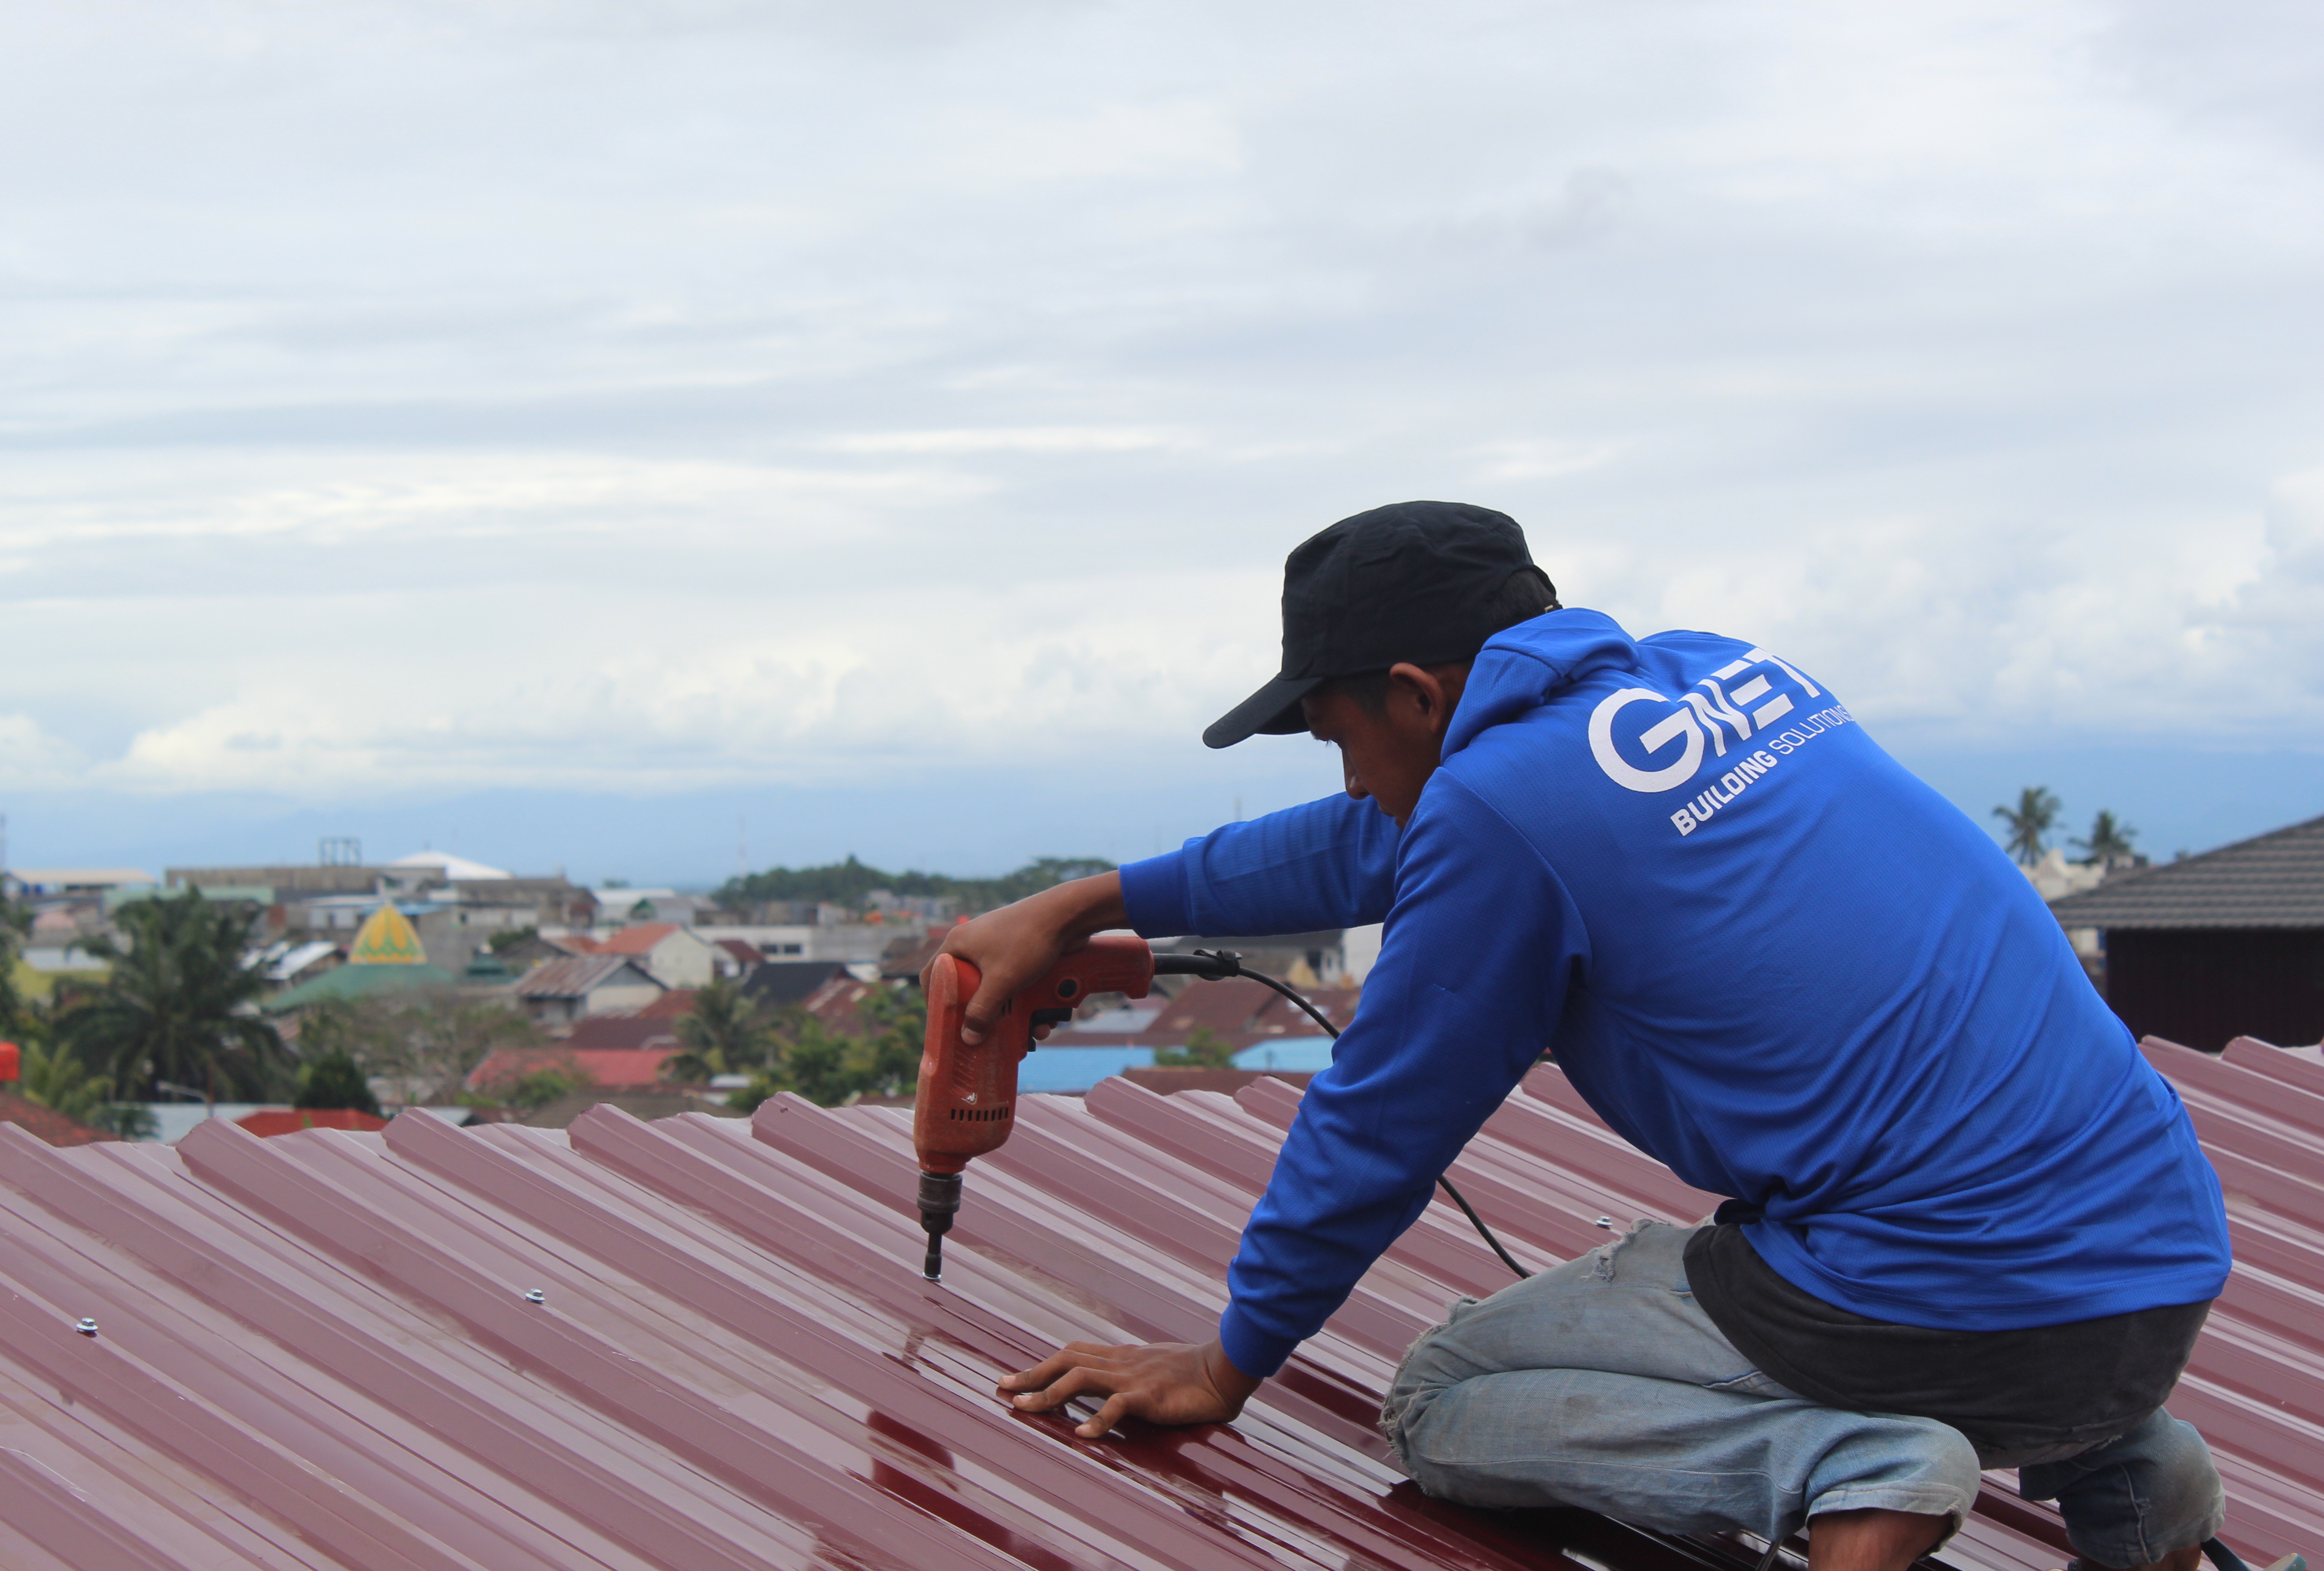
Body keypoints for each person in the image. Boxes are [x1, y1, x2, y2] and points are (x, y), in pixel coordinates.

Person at [951, 501, 2236, 1571]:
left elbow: (1383, 1123)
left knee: (1442, 1401)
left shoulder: (1503, 808)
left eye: (1338, 736)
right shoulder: (1711, 673)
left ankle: (1855, 1466)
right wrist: (1087, 903)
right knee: (1946, 1255)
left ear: (1414, 692)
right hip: (2156, 1266)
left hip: (1921, 1302)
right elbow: (1390, 837)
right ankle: (2133, 1468)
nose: (1344, 777)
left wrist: (1229, 1365)